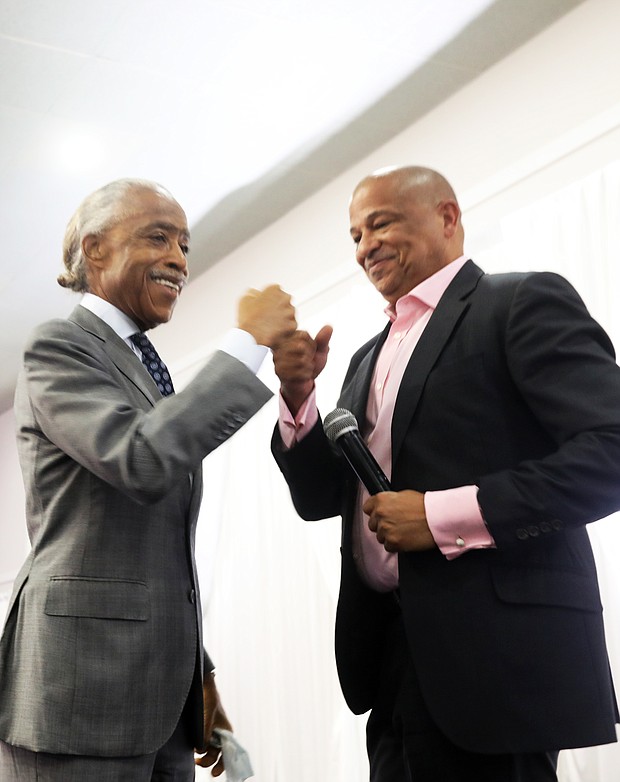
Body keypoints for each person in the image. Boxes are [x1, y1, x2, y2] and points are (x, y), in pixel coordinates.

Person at [270, 165, 620, 781]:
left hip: (498, 664)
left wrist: (438, 517)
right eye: (354, 235)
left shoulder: (520, 301)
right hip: (391, 662)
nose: (364, 246)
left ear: (448, 217)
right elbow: (324, 497)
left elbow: (611, 451)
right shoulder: (363, 358)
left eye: (380, 224)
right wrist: (299, 396)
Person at [0, 178, 296, 781]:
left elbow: (151, 552)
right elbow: (141, 458)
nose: (179, 259)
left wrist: (199, 676)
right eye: (157, 237)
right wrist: (245, 345)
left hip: (162, 704)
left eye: (185, 245)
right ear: (96, 249)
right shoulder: (58, 346)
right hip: (79, 697)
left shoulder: (142, 365)